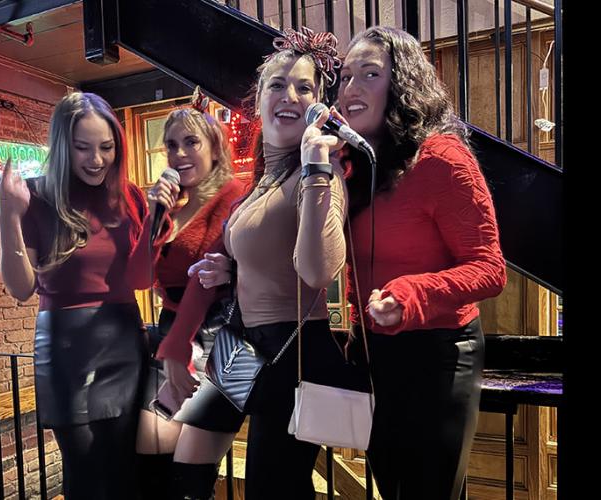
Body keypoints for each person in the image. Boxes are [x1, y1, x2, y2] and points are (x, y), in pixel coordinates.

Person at [156, 26, 351, 500]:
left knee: (272, 486)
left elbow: (318, 272)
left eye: (305, 87)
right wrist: (230, 270)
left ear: (318, 106)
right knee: (189, 458)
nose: (290, 95)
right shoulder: (263, 179)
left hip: (294, 345)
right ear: (259, 99)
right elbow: (265, 251)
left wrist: (316, 167)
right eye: (278, 85)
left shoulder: (318, 174)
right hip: (243, 338)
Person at [337, 26, 508, 500]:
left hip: (440, 354)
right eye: (345, 76)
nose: (351, 88)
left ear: (402, 84)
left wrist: (410, 294)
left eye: (369, 74)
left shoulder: (441, 158)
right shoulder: (353, 165)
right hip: (376, 353)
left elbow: (489, 267)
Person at [0, 91, 169, 499]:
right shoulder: (36, 196)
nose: (96, 159)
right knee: (85, 470)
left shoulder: (130, 197)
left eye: (106, 147)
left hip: (123, 340)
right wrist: (8, 213)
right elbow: (21, 289)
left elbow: (143, 281)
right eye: (82, 148)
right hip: (65, 346)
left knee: (126, 467)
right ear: (62, 146)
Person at [134, 88, 245, 499]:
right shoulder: (169, 205)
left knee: (190, 477)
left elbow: (218, 270)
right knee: (149, 463)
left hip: (230, 338)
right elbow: (141, 277)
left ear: (215, 147)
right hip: (170, 332)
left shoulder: (237, 195)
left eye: (191, 142)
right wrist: (152, 216)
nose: (179, 153)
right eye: (172, 145)